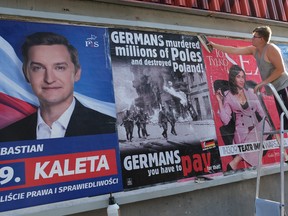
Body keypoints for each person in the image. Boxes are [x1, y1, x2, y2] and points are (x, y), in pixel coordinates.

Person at [0, 32, 116, 142]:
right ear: (26, 74)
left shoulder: (109, 128)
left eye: (59, 67)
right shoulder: (7, 135)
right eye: (38, 68)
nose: (49, 79)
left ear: (76, 73)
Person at [209, 26, 288, 129]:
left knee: (286, 117)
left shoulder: (271, 48)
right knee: (285, 122)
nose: (252, 38)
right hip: (276, 90)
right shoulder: (254, 50)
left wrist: (262, 83)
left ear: (262, 39)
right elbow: (234, 50)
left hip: (284, 86)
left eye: (255, 37)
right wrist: (214, 45)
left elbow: (281, 70)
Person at [216, 65, 271, 171]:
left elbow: (262, 112)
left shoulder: (250, 92)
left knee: (267, 125)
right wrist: (220, 101)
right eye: (238, 77)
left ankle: (236, 160)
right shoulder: (228, 96)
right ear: (233, 79)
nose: (242, 80)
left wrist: (272, 128)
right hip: (242, 132)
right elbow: (225, 120)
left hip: (256, 130)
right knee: (257, 163)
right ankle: (247, 163)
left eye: (243, 77)